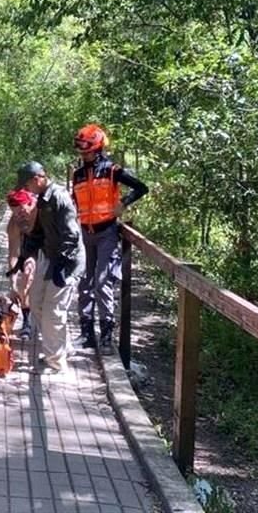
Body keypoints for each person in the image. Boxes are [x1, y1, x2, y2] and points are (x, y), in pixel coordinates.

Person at [71, 124, 149, 353]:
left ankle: (106, 334)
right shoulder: (77, 175)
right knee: (85, 281)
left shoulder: (112, 170)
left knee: (102, 281)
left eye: (86, 150)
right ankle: (86, 333)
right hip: (86, 233)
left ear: (96, 147)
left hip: (107, 233)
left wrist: (123, 204)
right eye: (80, 151)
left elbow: (141, 188)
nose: (82, 154)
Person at [16, 161, 85, 374]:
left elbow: (71, 234)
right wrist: (24, 256)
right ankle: (62, 347)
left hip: (68, 262)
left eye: (27, 185)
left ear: (38, 179)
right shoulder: (43, 200)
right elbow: (39, 232)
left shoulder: (59, 197)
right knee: (36, 302)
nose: (26, 190)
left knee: (53, 311)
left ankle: (56, 363)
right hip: (51, 259)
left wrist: (62, 265)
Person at [5, 188, 41, 340]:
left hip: (47, 246)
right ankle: (27, 321)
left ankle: (41, 321)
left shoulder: (41, 214)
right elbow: (13, 253)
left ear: (30, 204)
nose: (19, 216)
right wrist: (13, 282)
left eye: (21, 211)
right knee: (23, 280)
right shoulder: (14, 224)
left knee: (38, 284)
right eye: (15, 213)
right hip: (27, 248)